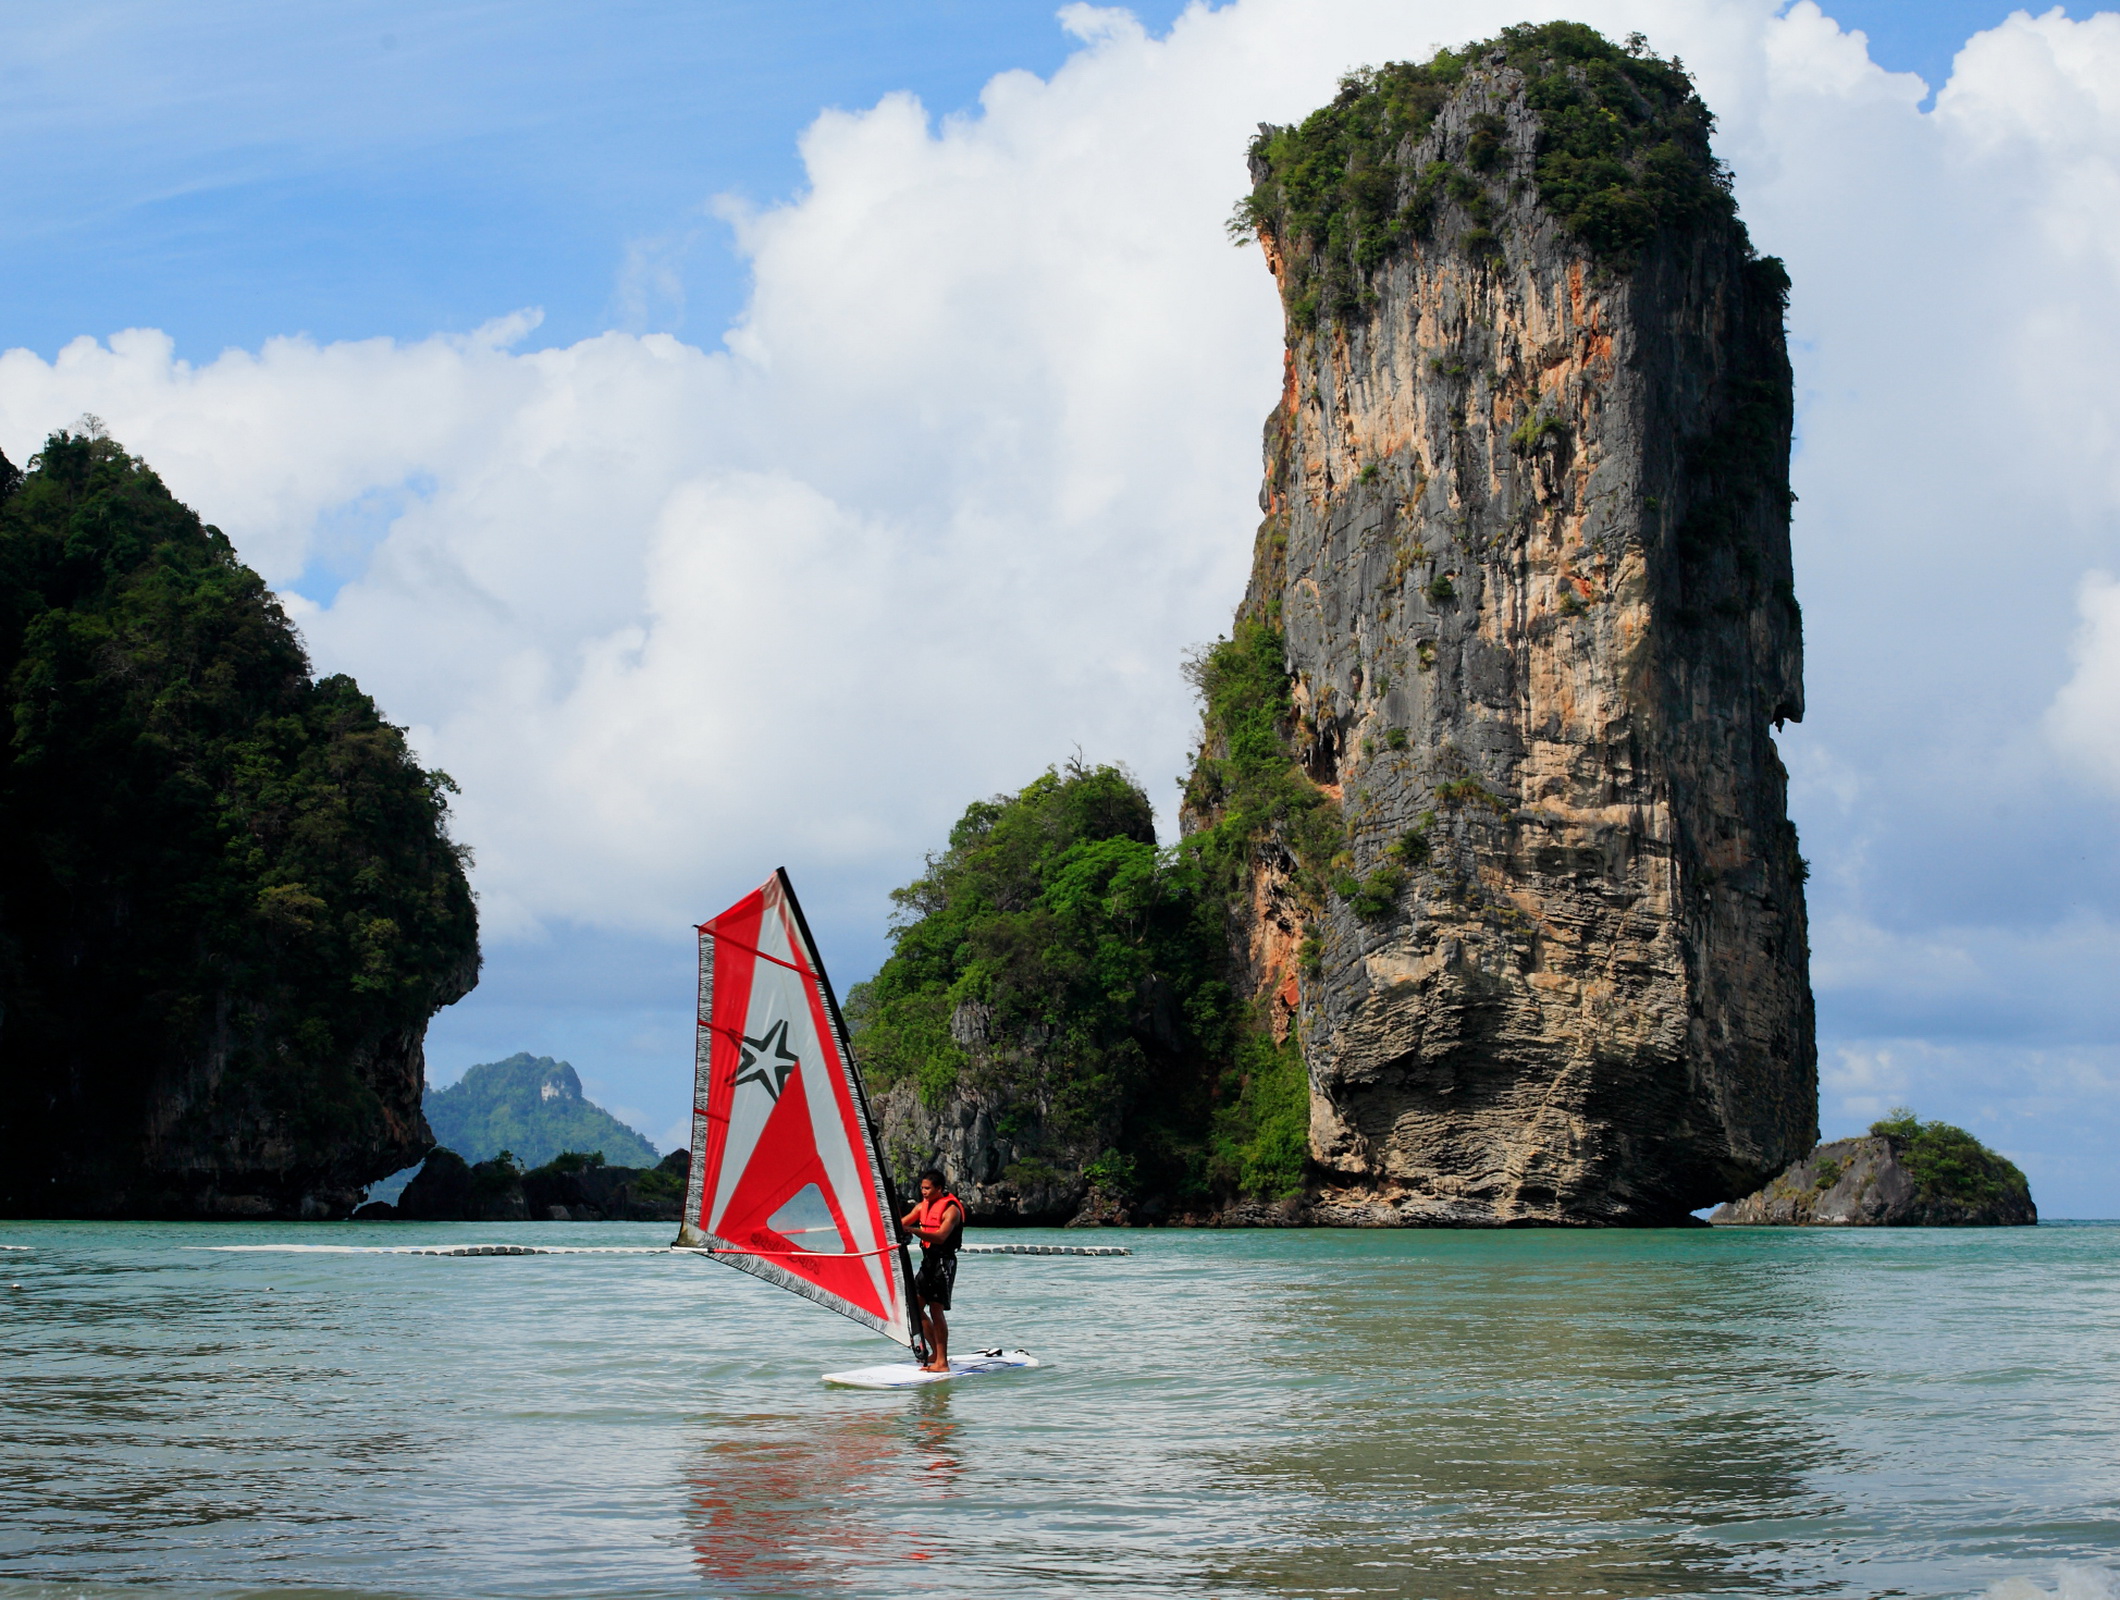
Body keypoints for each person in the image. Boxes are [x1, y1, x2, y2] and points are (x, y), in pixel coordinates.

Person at [901, 1168, 964, 1373]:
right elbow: (902, 1223)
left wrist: (914, 1231)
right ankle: (935, 1353)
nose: (924, 1192)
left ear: (939, 1188)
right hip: (928, 1262)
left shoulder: (951, 1210)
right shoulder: (922, 1207)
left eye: (928, 1188)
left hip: (943, 1263)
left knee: (936, 1309)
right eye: (922, 1188)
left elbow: (940, 1237)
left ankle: (942, 1363)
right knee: (915, 1307)